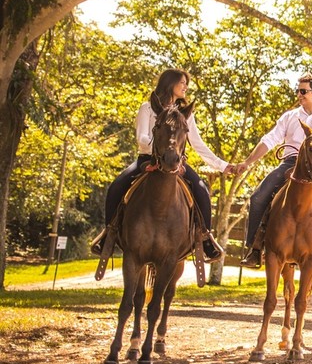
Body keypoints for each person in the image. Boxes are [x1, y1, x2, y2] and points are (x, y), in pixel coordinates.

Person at [91, 69, 234, 263]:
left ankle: (205, 237)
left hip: (176, 162)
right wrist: (158, 152)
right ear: (170, 83)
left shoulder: (185, 113)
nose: (186, 87)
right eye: (182, 82)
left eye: (187, 83)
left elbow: (198, 144)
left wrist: (222, 165)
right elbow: (141, 136)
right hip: (147, 159)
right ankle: (109, 233)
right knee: (117, 185)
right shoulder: (147, 108)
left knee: (201, 190)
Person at [234, 74, 312, 273]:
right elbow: (270, 139)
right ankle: (254, 249)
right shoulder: (290, 117)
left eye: (303, 91)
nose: (299, 94)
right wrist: (248, 162)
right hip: (291, 163)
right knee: (258, 197)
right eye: (298, 90)